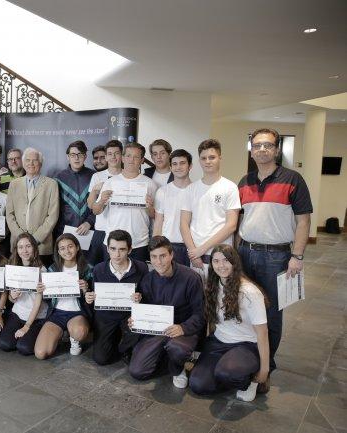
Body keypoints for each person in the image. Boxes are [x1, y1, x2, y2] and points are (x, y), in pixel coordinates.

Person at [237, 128, 312, 386]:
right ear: (251, 149)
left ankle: (266, 366)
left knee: (271, 312)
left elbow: (303, 221)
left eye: (267, 145)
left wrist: (297, 255)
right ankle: (249, 356)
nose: (261, 150)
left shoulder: (293, 179)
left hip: (277, 256)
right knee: (245, 306)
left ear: (277, 150)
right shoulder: (244, 181)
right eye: (257, 145)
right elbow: (239, 221)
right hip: (245, 251)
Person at [189, 245, 270, 402]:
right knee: (198, 384)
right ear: (211, 264)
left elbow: (263, 332)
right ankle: (226, 372)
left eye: (226, 261)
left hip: (246, 345)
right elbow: (212, 321)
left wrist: (264, 370)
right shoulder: (212, 285)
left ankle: (250, 381)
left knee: (227, 372)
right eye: (216, 261)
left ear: (235, 263)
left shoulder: (250, 292)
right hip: (218, 342)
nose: (221, 265)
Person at [127, 236, 204, 388]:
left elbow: (200, 314)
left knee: (177, 349)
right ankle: (169, 361)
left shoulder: (191, 278)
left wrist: (183, 328)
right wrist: (135, 319)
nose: (159, 262)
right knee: (137, 371)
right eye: (154, 257)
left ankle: (178, 368)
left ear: (171, 255)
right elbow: (145, 310)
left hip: (182, 331)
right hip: (157, 332)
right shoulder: (147, 279)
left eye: (163, 256)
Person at [180, 139, 240, 277]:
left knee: (221, 297)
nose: (208, 161)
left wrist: (202, 249)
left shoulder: (230, 187)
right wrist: (194, 253)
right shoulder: (191, 189)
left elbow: (231, 225)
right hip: (196, 258)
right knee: (197, 297)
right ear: (199, 161)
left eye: (212, 157)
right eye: (203, 158)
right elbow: (183, 224)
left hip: (221, 258)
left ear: (220, 158)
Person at [85, 230, 146, 365]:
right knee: (101, 359)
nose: (117, 254)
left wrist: (140, 298)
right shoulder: (98, 269)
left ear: (130, 250)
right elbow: (94, 296)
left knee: (133, 350)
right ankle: (115, 338)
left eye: (122, 249)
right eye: (113, 249)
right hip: (106, 316)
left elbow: (147, 296)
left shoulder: (141, 268)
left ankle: (125, 346)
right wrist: (89, 298)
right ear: (107, 249)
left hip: (128, 316)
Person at [94, 142, 157, 262]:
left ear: (142, 160)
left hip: (139, 243)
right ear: (122, 158)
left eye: (136, 157)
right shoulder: (110, 182)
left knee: (138, 279)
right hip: (113, 244)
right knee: (110, 279)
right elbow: (96, 211)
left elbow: (155, 215)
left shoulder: (150, 184)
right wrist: (102, 200)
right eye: (128, 156)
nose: (131, 160)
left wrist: (149, 207)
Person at [35, 234, 92, 359]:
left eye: (70, 246)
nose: (67, 251)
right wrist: (42, 291)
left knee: (79, 332)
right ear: (58, 252)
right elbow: (48, 298)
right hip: (56, 313)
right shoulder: (53, 269)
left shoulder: (87, 269)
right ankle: (61, 333)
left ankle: (74, 338)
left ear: (77, 247)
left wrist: (86, 289)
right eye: (62, 248)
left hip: (77, 313)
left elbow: (93, 299)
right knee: (40, 353)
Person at [6, 147, 60, 266]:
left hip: (42, 245)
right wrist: (21, 238)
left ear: (40, 163)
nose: (31, 163)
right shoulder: (14, 184)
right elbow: (9, 214)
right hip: (18, 245)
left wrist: (35, 239)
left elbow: (53, 215)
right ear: (23, 163)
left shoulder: (51, 184)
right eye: (28, 160)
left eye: (35, 160)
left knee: (40, 282)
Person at [0, 233, 48, 355]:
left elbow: (37, 304)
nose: (24, 251)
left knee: (24, 348)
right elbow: (11, 299)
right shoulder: (14, 267)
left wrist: (26, 327)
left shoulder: (42, 270)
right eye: (20, 247)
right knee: (5, 344)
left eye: (28, 246)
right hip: (18, 313)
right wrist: (13, 296)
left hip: (36, 318)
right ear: (16, 249)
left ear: (34, 248)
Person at [153, 149, 193, 266]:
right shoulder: (162, 191)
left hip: (192, 246)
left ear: (190, 166)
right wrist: (155, 248)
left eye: (182, 163)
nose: (178, 167)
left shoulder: (197, 191)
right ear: (170, 167)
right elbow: (158, 222)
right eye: (174, 164)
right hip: (168, 245)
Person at [87, 140, 123, 265]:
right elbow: (91, 205)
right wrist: (97, 192)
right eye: (110, 154)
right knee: (99, 267)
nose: (113, 157)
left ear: (122, 155)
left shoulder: (128, 175)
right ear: (106, 156)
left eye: (117, 153)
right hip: (101, 229)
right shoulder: (97, 176)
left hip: (121, 228)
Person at [55, 140, 96, 240]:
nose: (76, 158)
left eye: (80, 154)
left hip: (89, 231)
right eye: (73, 155)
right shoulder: (58, 178)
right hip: (64, 232)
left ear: (85, 156)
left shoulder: (94, 177)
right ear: (68, 157)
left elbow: (100, 204)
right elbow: (54, 209)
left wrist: (89, 222)